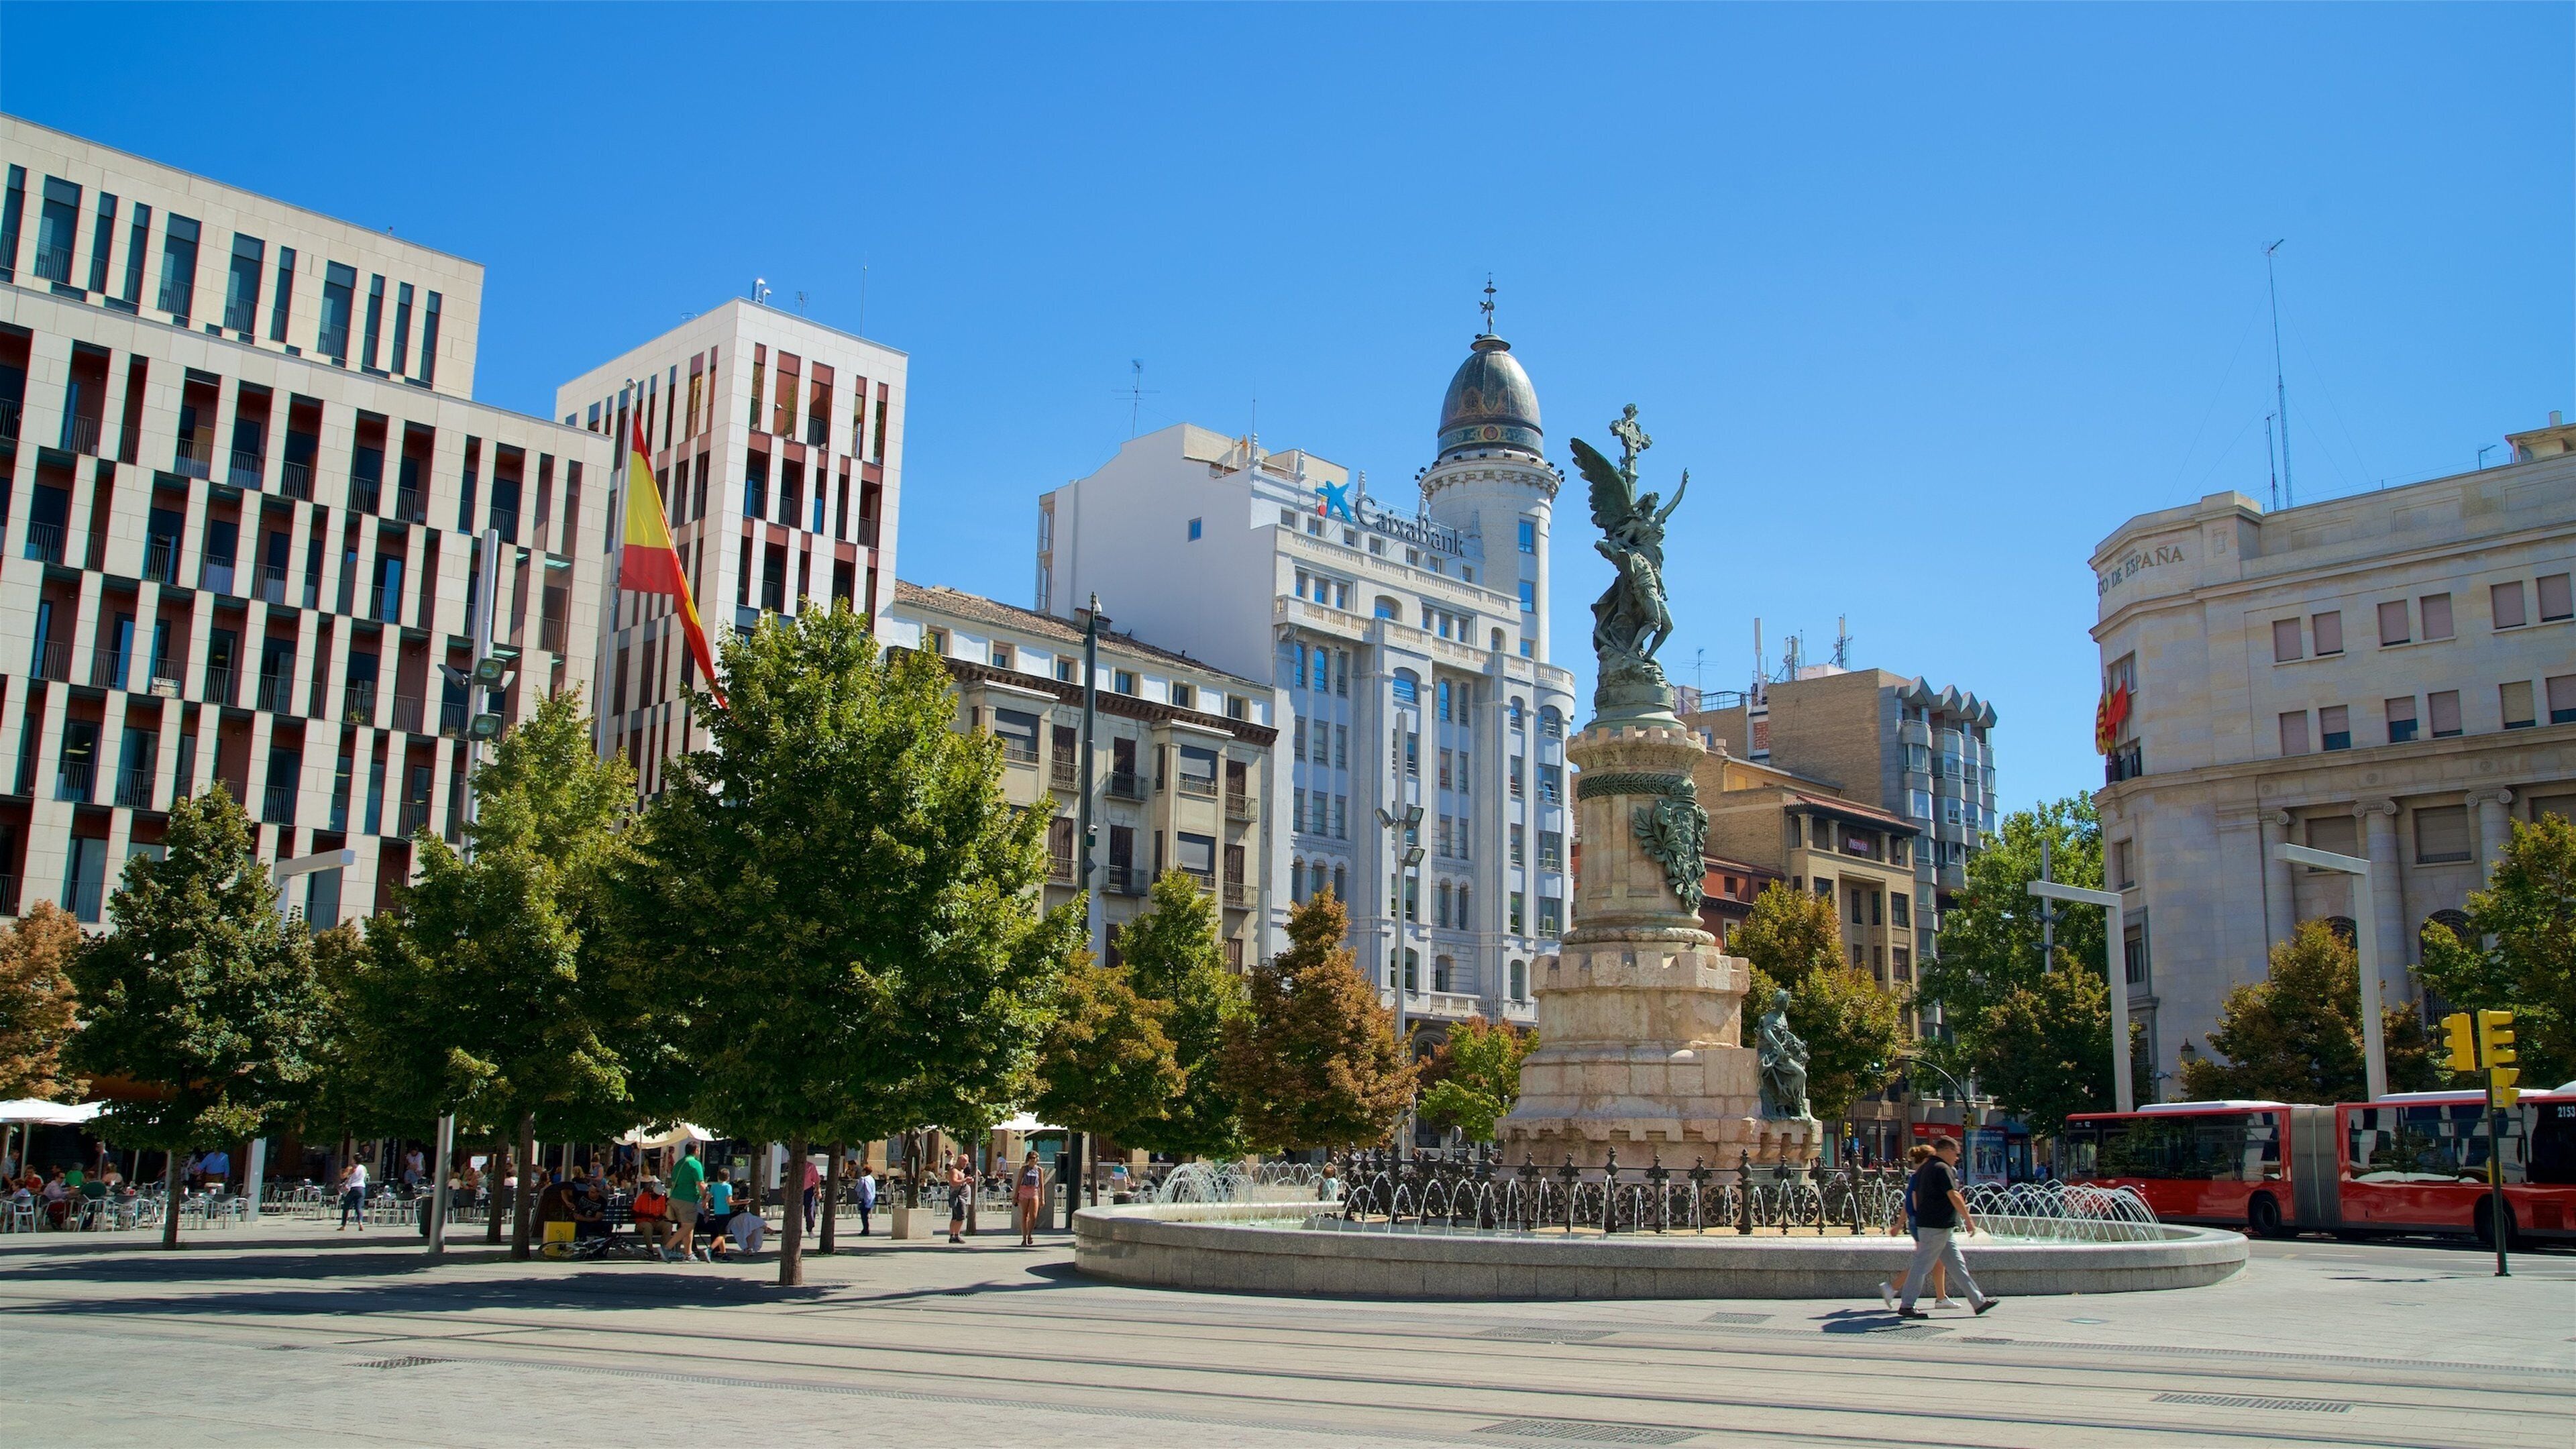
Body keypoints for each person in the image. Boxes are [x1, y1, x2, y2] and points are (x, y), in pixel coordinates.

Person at [1894, 1136, 1997, 1320]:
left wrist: (1920, 1218)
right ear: (1947, 1150)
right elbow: (1954, 1195)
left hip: (1936, 1226)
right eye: (1956, 1153)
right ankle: (1907, 1305)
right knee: (1921, 1265)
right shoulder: (1942, 1169)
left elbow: (1915, 1197)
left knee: (1957, 1266)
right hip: (1936, 1227)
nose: (1957, 1158)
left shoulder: (1925, 1168)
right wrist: (1968, 1220)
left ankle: (1978, 1302)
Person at [1880, 1145, 1953, 1311]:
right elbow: (1913, 1200)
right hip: (1923, 1222)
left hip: (1917, 1221)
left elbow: (1907, 1202)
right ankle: (1892, 1288)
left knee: (1936, 1261)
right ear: (1928, 1159)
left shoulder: (1917, 1175)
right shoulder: (1923, 1176)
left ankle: (1941, 1298)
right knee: (1924, 1260)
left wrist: (1899, 1225)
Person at [667, 1142, 706, 1263]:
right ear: (696, 1151)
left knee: (688, 1225)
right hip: (687, 1199)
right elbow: (700, 1184)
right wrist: (704, 1197)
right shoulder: (695, 1163)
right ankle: (666, 1248)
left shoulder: (679, 1163)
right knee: (688, 1226)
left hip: (675, 1198)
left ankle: (688, 1253)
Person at [703, 1169, 736, 1259]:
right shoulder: (728, 1187)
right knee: (723, 1235)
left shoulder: (714, 1186)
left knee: (721, 1233)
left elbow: (708, 1197)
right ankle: (710, 1249)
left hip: (717, 1213)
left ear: (718, 1177)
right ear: (728, 1177)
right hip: (725, 1213)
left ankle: (723, 1253)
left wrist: (704, 1203)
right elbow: (729, 1202)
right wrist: (742, 1202)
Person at [633, 1177, 669, 1252]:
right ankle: (650, 1249)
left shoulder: (662, 1198)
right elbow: (634, 1212)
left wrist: (661, 1217)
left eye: (658, 1196)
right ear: (652, 1192)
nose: (656, 1198)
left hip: (656, 1222)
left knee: (668, 1226)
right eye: (655, 1195)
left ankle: (663, 1249)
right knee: (648, 1226)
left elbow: (663, 1213)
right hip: (643, 1222)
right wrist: (647, 1215)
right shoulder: (643, 1197)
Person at [1016, 1151, 1044, 1245]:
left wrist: (1042, 1198)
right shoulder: (1024, 1169)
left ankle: (1030, 1234)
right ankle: (1024, 1237)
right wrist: (1015, 1195)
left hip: (1034, 1192)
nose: (1033, 1160)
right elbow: (1019, 1182)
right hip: (1024, 1191)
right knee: (1024, 1215)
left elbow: (1041, 1184)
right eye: (1031, 1158)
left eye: (1035, 1158)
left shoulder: (1039, 1170)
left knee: (1034, 1216)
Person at [338, 1159, 370, 1231]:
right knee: (359, 1207)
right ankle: (360, 1223)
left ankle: (343, 1225)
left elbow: (343, 1177)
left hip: (352, 1188)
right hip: (361, 1188)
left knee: (346, 1207)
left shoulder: (351, 1168)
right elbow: (366, 1177)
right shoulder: (363, 1168)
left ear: (355, 1160)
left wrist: (341, 1171)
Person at [947, 1159, 970, 1244]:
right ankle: (956, 1235)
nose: (965, 1165)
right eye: (964, 1163)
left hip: (961, 1197)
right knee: (961, 1217)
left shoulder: (961, 1171)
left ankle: (952, 1236)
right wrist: (965, 1180)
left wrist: (967, 1181)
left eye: (966, 1164)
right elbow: (954, 1182)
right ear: (959, 1162)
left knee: (955, 1217)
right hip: (958, 1197)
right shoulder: (954, 1171)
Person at [802, 1155, 822, 1236]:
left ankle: (810, 1229)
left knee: (810, 1210)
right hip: (796, 1190)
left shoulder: (810, 1166)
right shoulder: (793, 1166)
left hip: (808, 1190)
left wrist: (818, 1191)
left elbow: (816, 1180)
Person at [855, 1163, 876, 1237]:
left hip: (864, 1199)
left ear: (865, 1171)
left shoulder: (863, 1179)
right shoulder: (872, 1179)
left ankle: (865, 1229)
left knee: (863, 1216)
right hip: (871, 1199)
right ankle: (865, 1229)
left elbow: (858, 1189)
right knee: (866, 1215)